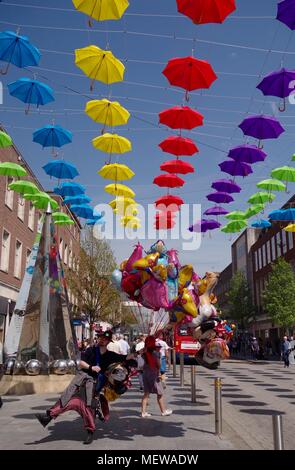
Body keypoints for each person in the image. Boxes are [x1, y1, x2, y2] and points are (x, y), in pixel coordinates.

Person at [35, 330, 134, 445]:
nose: (102, 340)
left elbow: (125, 357)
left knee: (89, 407)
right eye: (101, 338)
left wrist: (138, 352)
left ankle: (90, 432)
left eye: (104, 339)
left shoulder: (110, 355)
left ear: (108, 342)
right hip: (80, 382)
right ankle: (48, 416)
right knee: (66, 399)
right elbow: (80, 362)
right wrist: (91, 367)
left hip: (92, 385)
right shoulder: (91, 350)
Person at [141, 335, 172, 418]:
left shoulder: (144, 352)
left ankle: (143, 412)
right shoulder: (156, 353)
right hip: (154, 374)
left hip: (145, 373)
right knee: (160, 393)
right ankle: (163, 411)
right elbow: (158, 365)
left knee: (146, 393)